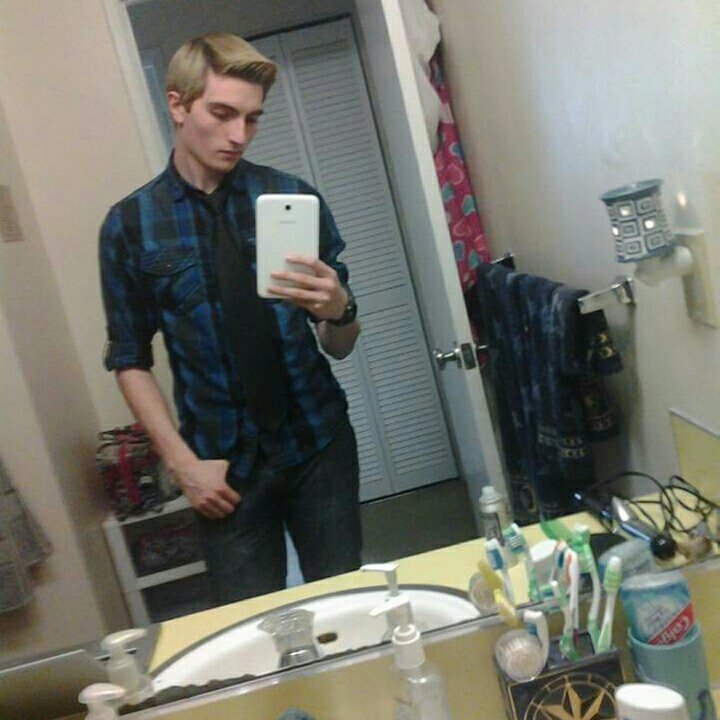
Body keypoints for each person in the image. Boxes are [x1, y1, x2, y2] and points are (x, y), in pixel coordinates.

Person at [99, 32, 362, 604]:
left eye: (252, 118)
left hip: (318, 445)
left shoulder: (292, 198)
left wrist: (339, 308)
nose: (239, 135)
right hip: (220, 469)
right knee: (250, 627)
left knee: (346, 606)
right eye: (222, 114)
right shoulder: (130, 227)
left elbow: (339, 344)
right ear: (177, 105)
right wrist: (181, 464)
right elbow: (129, 359)